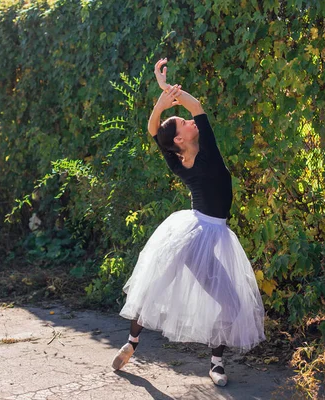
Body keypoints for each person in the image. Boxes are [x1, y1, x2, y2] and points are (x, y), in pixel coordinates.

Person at [112, 58, 265, 387]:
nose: (191, 123)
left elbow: (193, 108)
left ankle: (216, 363)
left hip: (213, 236)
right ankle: (132, 343)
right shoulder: (179, 161)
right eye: (184, 123)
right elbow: (154, 129)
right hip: (189, 235)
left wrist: (166, 90)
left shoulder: (205, 146)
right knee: (155, 289)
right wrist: (161, 104)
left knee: (231, 302)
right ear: (179, 141)